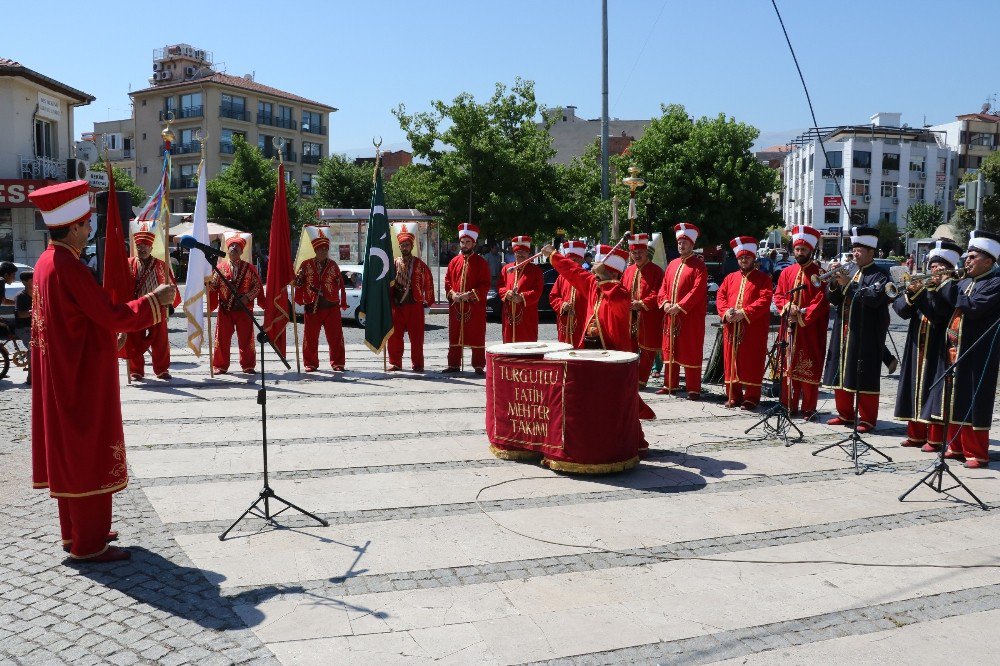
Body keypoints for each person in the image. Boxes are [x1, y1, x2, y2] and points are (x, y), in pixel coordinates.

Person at [28, 180, 176, 562]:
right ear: (73, 227)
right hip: (80, 376)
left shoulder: (48, 261)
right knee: (86, 452)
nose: (89, 228)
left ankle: (76, 532)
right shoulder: (67, 266)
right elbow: (109, 315)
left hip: (66, 370)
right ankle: (89, 544)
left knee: (72, 454)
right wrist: (153, 301)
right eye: (85, 223)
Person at [920, 230, 1000, 468]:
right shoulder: (964, 281)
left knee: (974, 399)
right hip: (953, 349)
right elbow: (941, 312)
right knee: (954, 400)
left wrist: (946, 285)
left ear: (989, 260)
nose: (967, 260)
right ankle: (955, 446)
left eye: (973, 257)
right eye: (968, 256)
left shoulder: (995, 282)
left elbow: (973, 307)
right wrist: (932, 290)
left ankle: (976, 453)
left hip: (978, 351)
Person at [822, 226, 892, 433]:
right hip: (843, 330)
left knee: (864, 374)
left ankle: (868, 418)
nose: (855, 253)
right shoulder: (850, 271)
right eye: (854, 249)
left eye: (860, 250)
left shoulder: (880, 274)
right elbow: (833, 299)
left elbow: (873, 299)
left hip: (866, 333)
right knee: (840, 371)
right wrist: (834, 282)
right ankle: (844, 414)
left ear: (871, 253)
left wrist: (848, 285)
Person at [894, 240, 961, 449]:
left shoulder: (952, 289)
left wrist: (923, 293)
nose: (932, 271)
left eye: (938, 267)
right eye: (931, 266)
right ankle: (915, 434)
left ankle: (935, 438)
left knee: (934, 392)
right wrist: (910, 294)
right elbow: (901, 311)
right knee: (912, 387)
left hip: (938, 348)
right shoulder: (923, 287)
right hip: (916, 345)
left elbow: (937, 314)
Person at [772, 225, 828, 418]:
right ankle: (788, 405)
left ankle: (809, 409)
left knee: (808, 368)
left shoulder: (819, 273)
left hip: (809, 330)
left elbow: (821, 301)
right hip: (789, 329)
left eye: (803, 250)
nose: (799, 253)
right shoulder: (786, 272)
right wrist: (788, 308)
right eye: (797, 249)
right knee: (788, 369)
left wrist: (802, 314)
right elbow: (779, 295)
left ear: (810, 250)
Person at [716, 236, 773, 410]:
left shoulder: (763, 279)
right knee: (731, 361)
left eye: (747, 257)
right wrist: (726, 312)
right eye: (741, 257)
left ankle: (751, 397)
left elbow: (764, 300)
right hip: (732, 327)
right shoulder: (729, 278)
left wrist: (745, 313)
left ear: (753, 258)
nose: (744, 260)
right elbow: (721, 297)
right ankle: (733, 396)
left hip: (752, 328)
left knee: (752, 361)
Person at [541, 243, 632, 351]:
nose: (593, 274)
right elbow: (573, 271)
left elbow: (616, 298)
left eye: (598, 272)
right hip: (590, 348)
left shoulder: (622, 293)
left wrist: (604, 276)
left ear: (613, 274)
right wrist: (553, 254)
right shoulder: (594, 284)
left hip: (613, 352)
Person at [657, 223, 708, 399]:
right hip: (670, 315)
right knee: (670, 348)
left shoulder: (699, 265)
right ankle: (670, 384)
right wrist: (664, 303)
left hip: (689, 317)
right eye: (679, 242)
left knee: (690, 349)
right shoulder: (672, 264)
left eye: (685, 242)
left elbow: (697, 290)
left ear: (692, 244)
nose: (681, 245)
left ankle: (693, 388)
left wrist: (680, 306)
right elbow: (663, 287)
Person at [124, 225, 179, 381]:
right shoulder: (128, 264)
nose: (142, 249)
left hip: (158, 307)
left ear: (151, 247)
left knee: (160, 339)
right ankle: (136, 370)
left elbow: (171, 285)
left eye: (145, 246)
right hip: (138, 307)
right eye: (139, 245)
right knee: (134, 338)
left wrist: (169, 303)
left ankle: (162, 369)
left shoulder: (161, 265)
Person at [294, 227, 349, 372]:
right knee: (310, 337)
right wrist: (297, 281)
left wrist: (339, 298)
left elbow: (340, 284)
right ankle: (310, 363)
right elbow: (298, 283)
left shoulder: (333, 265)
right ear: (315, 250)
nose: (323, 251)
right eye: (320, 249)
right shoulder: (305, 265)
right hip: (312, 307)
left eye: (325, 249)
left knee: (336, 337)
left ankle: (338, 363)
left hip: (331, 307)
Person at [208, 232, 262, 374]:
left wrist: (247, 297)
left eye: (237, 246)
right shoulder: (219, 268)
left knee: (246, 339)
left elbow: (257, 287)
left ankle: (248, 365)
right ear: (227, 249)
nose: (234, 248)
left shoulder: (250, 268)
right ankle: (220, 365)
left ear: (242, 251)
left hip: (244, 310)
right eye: (231, 245)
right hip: (226, 310)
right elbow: (213, 286)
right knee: (222, 339)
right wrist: (205, 282)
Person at [443, 223, 490, 374]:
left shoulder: (481, 263)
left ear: (474, 243)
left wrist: (469, 295)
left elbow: (485, 284)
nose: (464, 245)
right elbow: (447, 282)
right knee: (455, 335)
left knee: (476, 335)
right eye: (462, 242)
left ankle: (478, 366)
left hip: (474, 308)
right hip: (456, 306)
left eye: (467, 242)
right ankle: (454, 364)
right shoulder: (453, 262)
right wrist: (453, 294)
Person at [387, 227, 434, 372]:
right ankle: (395, 363)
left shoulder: (420, 265)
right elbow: (386, 283)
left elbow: (428, 282)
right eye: (402, 245)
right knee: (394, 337)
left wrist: (428, 300)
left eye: (407, 245)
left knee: (417, 338)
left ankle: (418, 364)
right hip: (397, 304)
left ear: (412, 247)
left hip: (415, 305)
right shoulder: (393, 263)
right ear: (399, 247)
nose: (405, 247)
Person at [622, 233, 664, 387]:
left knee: (647, 349)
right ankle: (629, 378)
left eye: (640, 252)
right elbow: (623, 290)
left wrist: (641, 303)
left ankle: (641, 380)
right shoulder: (628, 270)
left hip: (648, 315)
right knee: (629, 349)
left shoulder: (656, 271)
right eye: (634, 253)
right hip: (630, 317)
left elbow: (658, 292)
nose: (637, 255)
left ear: (647, 252)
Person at [498, 236, 543, 344]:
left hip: (527, 315)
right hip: (509, 314)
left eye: (524, 251)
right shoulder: (506, 269)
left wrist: (522, 297)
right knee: (509, 344)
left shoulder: (535, 270)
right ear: (514, 253)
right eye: (518, 251)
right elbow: (500, 286)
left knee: (526, 343)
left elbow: (538, 291)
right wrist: (506, 293)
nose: (521, 254)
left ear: (528, 254)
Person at [548, 240, 588, 346]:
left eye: (575, 260)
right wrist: (562, 305)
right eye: (569, 260)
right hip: (565, 325)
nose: (571, 263)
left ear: (582, 260)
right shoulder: (561, 278)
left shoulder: (587, 277)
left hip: (582, 323)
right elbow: (553, 296)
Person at [14, 270, 33, 384]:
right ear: (25, 282)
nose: (35, 282)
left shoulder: (38, 293)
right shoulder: (20, 296)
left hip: (35, 327)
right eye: (31, 280)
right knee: (33, 347)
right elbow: (20, 314)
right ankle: (30, 378)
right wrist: (33, 311)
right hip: (23, 328)